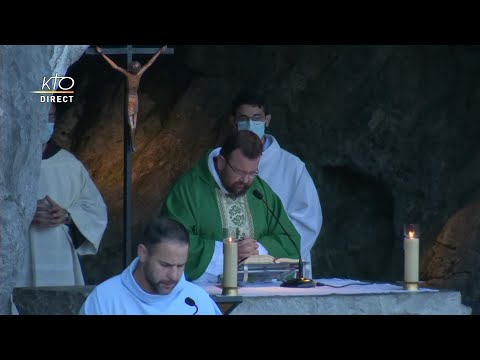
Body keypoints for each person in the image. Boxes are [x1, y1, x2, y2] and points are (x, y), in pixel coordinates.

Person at [161, 130, 301, 282]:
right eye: (240, 172)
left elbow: (290, 240)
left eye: (253, 173)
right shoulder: (189, 190)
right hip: (206, 295)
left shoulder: (259, 191)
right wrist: (228, 253)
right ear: (221, 162)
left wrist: (257, 251)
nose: (246, 180)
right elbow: (170, 243)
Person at [227, 92, 322, 278]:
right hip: (233, 264)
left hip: (282, 271)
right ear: (233, 122)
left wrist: (263, 249)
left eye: (256, 118)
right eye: (243, 119)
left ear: (267, 120)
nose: (250, 124)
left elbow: (308, 221)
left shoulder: (292, 167)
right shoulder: (222, 162)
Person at [16, 103, 108, 289]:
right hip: (18, 257)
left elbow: (96, 212)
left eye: (51, 116)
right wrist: (23, 214)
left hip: (58, 258)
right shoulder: (9, 161)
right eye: (40, 116)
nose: (46, 122)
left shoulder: (69, 165)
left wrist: (67, 216)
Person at [79, 216, 222, 315]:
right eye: (165, 265)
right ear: (143, 253)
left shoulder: (196, 301)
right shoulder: (105, 299)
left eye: (180, 266)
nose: (173, 275)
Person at [95, 45, 166, 152]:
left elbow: (115, 66)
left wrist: (102, 53)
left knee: (133, 123)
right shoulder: (136, 73)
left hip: (133, 98)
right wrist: (160, 51)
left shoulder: (130, 74)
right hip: (132, 99)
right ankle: (132, 142)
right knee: (132, 123)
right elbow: (149, 63)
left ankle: (132, 141)